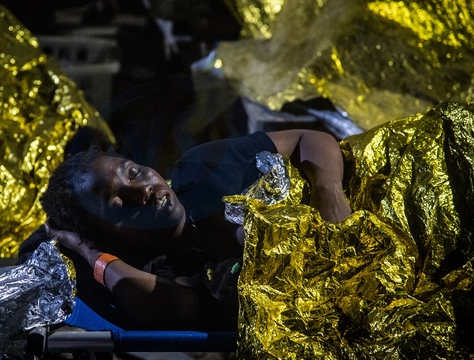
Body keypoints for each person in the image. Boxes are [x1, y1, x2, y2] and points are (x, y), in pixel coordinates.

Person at [18, 129, 352, 331]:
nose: (143, 190)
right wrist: (90, 251)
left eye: (133, 173)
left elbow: (309, 139)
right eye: (119, 204)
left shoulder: (204, 167)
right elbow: (178, 313)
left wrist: (329, 191)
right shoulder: (161, 272)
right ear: (111, 236)